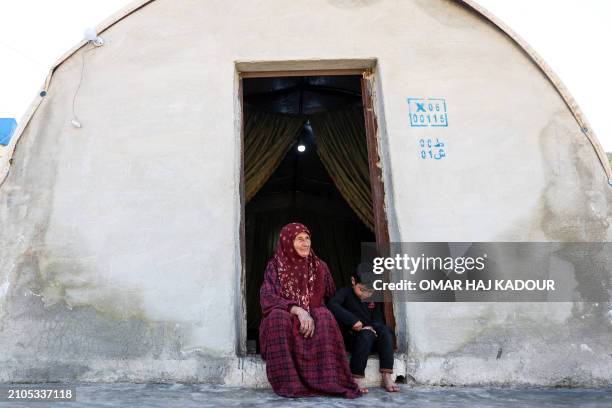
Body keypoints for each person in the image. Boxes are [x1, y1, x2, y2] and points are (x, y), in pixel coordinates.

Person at [259, 222, 362, 398]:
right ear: (287, 242)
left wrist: (356, 319)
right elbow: (267, 297)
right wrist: (297, 309)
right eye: (299, 239)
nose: (306, 243)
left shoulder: (319, 266)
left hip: (313, 317)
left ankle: (328, 380)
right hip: (287, 315)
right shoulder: (275, 266)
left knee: (324, 314)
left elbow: (333, 298)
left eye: (307, 238)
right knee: (277, 316)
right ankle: (290, 382)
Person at [327, 262, 400, 393]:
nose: (365, 295)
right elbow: (332, 305)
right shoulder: (345, 292)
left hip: (371, 337)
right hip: (352, 338)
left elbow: (377, 319)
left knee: (386, 331)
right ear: (353, 281)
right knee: (366, 335)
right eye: (362, 290)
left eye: (370, 291)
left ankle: (387, 375)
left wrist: (372, 327)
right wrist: (353, 321)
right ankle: (357, 377)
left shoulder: (374, 298)